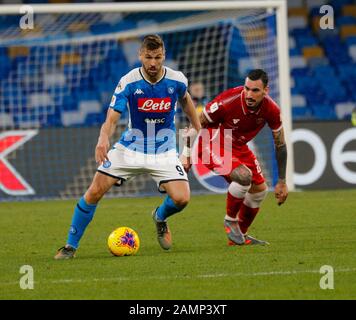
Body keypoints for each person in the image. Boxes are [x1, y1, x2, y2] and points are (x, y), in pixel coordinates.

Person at [55, 34, 201, 259]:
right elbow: (112, 117)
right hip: (129, 149)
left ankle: (159, 217)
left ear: (164, 56)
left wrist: (187, 153)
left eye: (158, 57)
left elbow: (195, 123)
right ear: (140, 55)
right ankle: (70, 246)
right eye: (149, 57)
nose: (153, 63)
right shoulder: (129, 81)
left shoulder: (177, 81)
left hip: (164, 151)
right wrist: (103, 138)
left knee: (182, 199)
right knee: (94, 191)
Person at [195, 69, 288, 246]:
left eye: (255, 90)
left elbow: (280, 144)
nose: (249, 94)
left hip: (238, 147)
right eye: (246, 89)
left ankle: (239, 238)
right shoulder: (229, 100)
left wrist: (282, 180)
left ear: (265, 91)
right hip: (211, 144)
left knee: (260, 190)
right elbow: (199, 120)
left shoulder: (272, 110)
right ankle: (230, 220)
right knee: (244, 177)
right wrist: (186, 154)